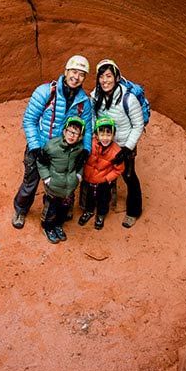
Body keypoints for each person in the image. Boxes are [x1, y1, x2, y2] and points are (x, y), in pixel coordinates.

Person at [13, 54, 94, 229]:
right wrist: (35, 147)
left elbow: (87, 129)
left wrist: (85, 150)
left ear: (84, 78)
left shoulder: (83, 103)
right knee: (31, 181)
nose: (76, 77)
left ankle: (62, 211)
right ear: (65, 71)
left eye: (81, 74)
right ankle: (21, 209)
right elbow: (29, 120)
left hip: (65, 151)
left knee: (66, 182)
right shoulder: (45, 92)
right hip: (41, 146)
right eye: (73, 71)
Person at [90, 59, 146, 228]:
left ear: (116, 77)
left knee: (128, 175)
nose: (105, 80)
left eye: (109, 76)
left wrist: (127, 148)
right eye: (101, 76)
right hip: (105, 143)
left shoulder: (128, 99)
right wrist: (96, 138)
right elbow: (93, 117)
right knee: (106, 173)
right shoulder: (95, 95)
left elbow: (138, 125)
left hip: (123, 145)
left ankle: (134, 211)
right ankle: (107, 203)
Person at [36, 117, 87, 244]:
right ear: (64, 131)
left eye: (76, 133)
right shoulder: (52, 146)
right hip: (54, 186)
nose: (72, 135)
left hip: (69, 187)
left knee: (64, 208)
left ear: (80, 136)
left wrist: (78, 177)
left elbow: (81, 164)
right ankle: (48, 227)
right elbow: (41, 162)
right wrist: (47, 178)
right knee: (50, 208)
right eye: (70, 131)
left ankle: (58, 224)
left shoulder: (79, 149)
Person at [78, 115, 124, 231]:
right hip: (88, 179)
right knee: (88, 197)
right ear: (96, 135)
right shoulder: (91, 145)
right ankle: (88, 211)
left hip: (103, 182)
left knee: (103, 199)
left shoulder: (116, 151)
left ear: (113, 135)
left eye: (108, 134)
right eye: (102, 134)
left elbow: (119, 169)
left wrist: (107, 179)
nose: (105, 138)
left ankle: (101, 215)